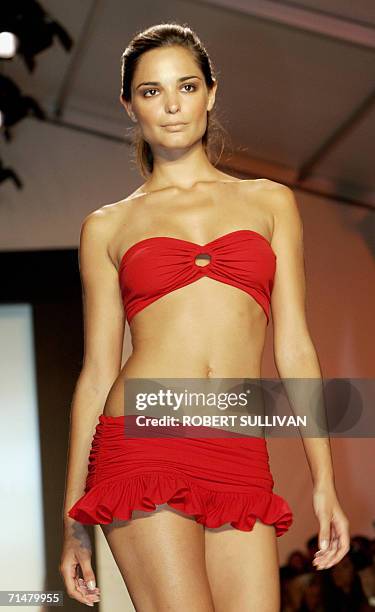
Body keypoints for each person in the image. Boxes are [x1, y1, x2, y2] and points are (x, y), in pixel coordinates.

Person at [59, 22, 350, 611]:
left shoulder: (270, 203)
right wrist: (72, 518)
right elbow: (96, 370)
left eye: (186, 87)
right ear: (128, 104)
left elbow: (294, 346)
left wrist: (325, 479)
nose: (171, 106)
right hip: (142, 440)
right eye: (150, 91)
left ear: (211, 93)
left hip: (238, 444)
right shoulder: (108, 226)